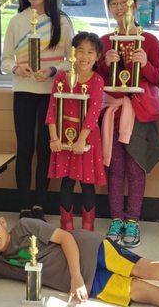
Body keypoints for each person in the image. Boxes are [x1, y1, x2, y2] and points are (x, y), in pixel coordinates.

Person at [0, 208, 159, 307]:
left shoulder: (24, 226)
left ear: (2, 222)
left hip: (89, 250)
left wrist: (76, 278)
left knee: (144, 268)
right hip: (88, 285)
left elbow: (66, 238)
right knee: (141, 292)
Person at [1, 0, 73, 221]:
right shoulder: (16, 21)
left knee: (45, 149)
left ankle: (40, 205)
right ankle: (23, 205)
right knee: (25, 148)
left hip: (51, 94)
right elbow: (5, 60)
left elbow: (71, 61)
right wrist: (17, 69)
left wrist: (53, 70)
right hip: (23, 92)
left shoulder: (61, 22)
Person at [97, 0, 159, 247]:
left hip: (138, 113)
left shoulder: (149, 40)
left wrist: (144, 63)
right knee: (115, 168)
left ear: (135, 4)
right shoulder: (105, 41)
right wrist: (106, 63)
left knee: (136, 168)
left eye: (124, 2)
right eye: (113, 3)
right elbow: (97, 78)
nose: (118, 7)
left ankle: (133, 221)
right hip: (112, 112)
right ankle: (116, 219)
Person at [46, 32, 106, 232]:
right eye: (80, 51)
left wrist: (81, 140)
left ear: (97, 57)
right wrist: (54, 137)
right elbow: (52, 108)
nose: (85, 56)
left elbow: (93, 113)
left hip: (87, 138)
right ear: (73, 53)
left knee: (88, 184)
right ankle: (67, 225)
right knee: (67, 181)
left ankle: (88, 226)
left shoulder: (97, 81)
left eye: (90, 52)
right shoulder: (62, 78)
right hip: (64, 136)